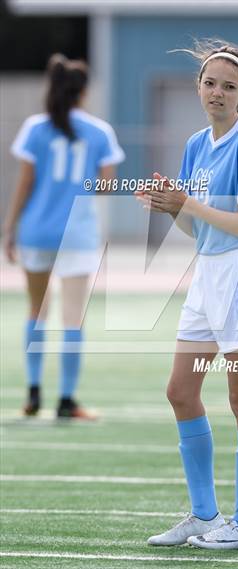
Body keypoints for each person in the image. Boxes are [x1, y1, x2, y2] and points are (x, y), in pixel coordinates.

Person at [136, 39, 238, 550]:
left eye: (229, 86)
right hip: (208, 275)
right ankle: (202, 513)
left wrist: (186, 201)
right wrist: (170, 206)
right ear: (199, 87)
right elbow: (201, 231)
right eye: (210, 82)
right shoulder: (197, 144)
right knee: (181, 391)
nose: (217, 91)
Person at [3, 53, 125, 419]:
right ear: (83, 92)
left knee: (36, 311)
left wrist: (10, 227)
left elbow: (25, 183)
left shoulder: (35, 128)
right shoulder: (100, 132)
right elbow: (105, 185)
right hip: (77, 233)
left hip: (36, 230)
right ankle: (67, 401)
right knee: (73, 317)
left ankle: (34, 392)